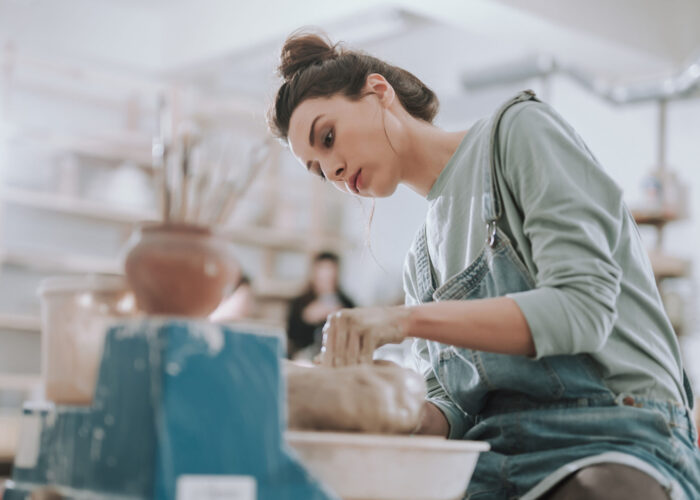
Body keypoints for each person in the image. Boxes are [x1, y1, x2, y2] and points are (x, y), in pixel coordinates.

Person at [268, 31, 700, 500]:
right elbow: (451, 414)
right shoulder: (420, 262)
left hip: (616, 437)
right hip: (495, 460)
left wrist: (402, 320)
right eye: (317, 169)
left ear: (379, 93)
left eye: (327, 138)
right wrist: (371, 396)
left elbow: (582, 310)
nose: (332, 171)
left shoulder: (518, 132)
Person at [286, 251, 355, 360]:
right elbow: (291, 338)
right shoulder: (299, 304)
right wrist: (305, 318)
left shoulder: (347, 304)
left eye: (330, 272)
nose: (326, 277)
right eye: (322, 272)